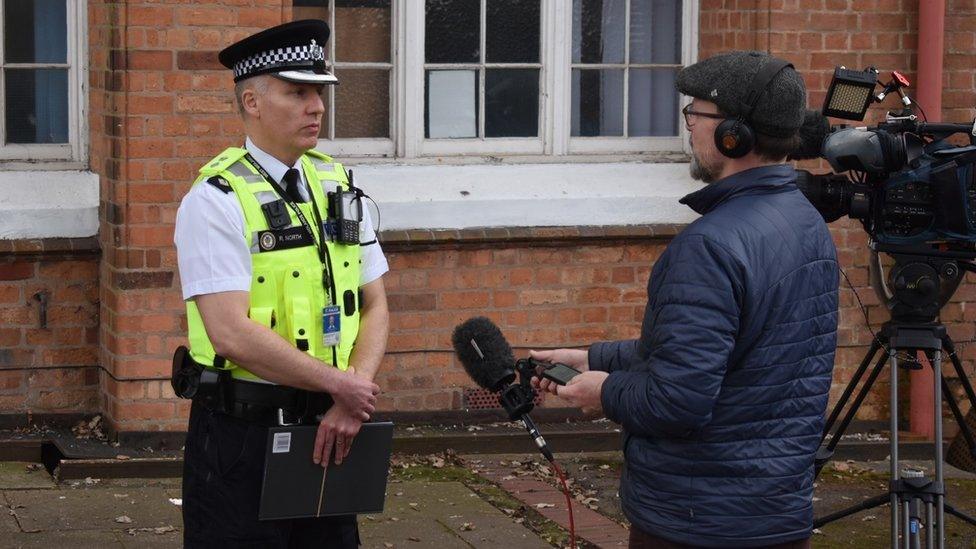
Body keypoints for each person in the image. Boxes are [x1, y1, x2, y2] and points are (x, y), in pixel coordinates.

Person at [532, 51, 839, 548]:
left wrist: (601, 391)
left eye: (696, 114)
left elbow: (677, 401)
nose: (690, 128)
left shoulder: (710, 246)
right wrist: (592, 357)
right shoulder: (805, 222)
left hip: (698, 521)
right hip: (774, 514)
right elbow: (731, 353)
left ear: (732, 135)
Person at [173, 19, 389, 548]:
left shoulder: (336, 183)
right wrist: (339, 384)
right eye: (297, 92)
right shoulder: (215, 200)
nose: (316, 105)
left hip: (332, 428)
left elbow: (376, 303)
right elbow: (229, 332)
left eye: (319, 91)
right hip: (241, 438)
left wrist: (349, 398)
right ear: (252, 102)